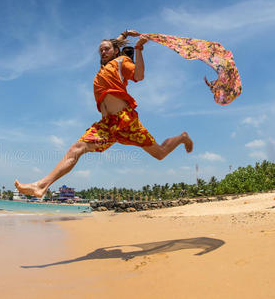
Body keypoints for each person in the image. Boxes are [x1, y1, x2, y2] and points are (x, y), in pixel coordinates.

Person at [15, 30, 193, 198]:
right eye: (100, 50)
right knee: (76, 149)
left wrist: (139, 48)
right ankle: (41, 186)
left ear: (116, 51)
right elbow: (112, 45)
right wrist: (123, 34)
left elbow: (139, 76)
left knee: (160, 153)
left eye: (106, 49)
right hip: (106, 126)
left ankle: (182, 137)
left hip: (126, 121)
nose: (103, 51)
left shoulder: (122, 61)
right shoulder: (105, 68)